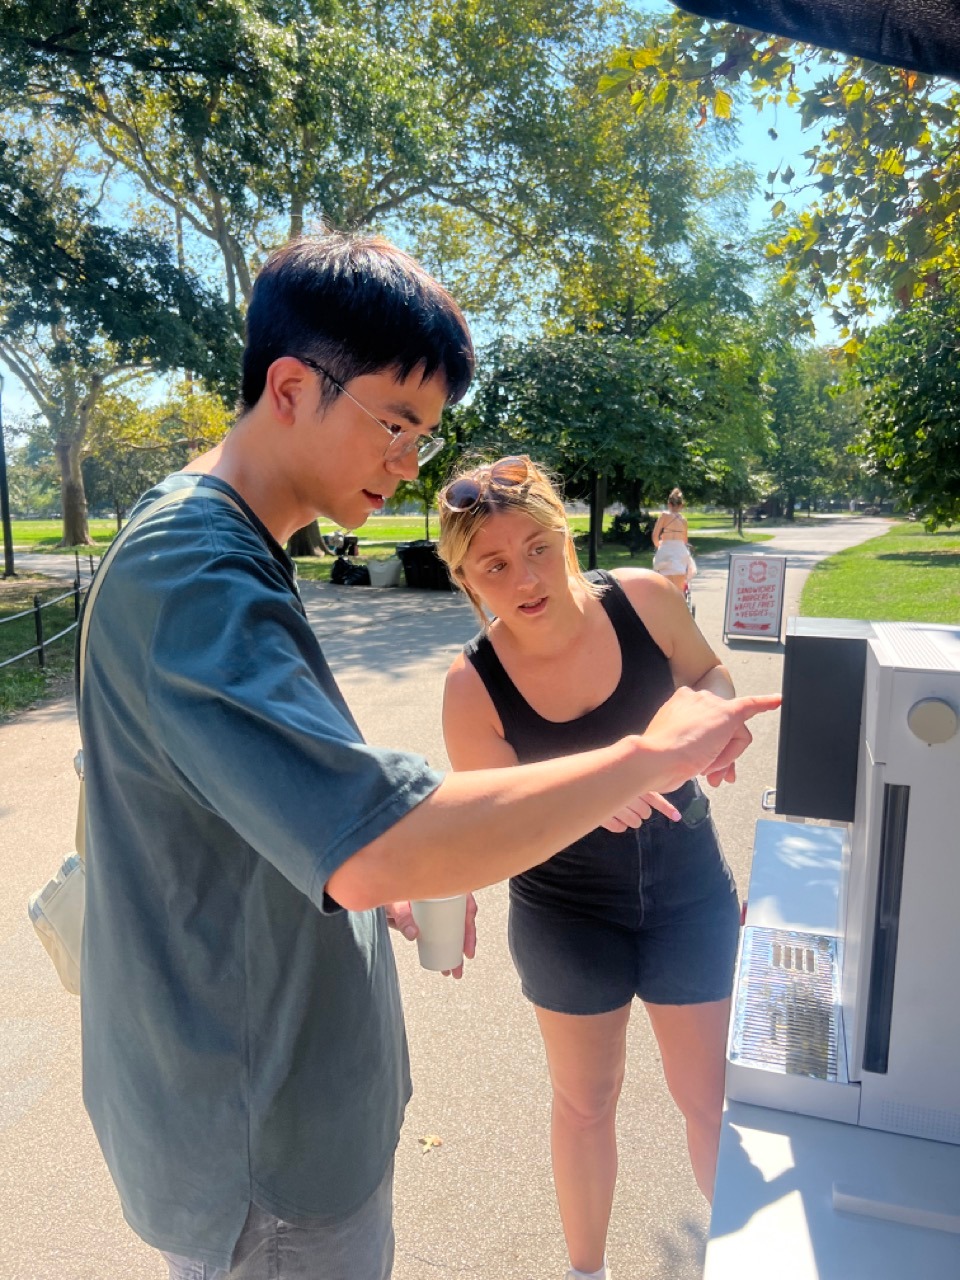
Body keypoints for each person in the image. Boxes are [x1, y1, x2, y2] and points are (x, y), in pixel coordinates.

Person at [78, 234, 779, 1280]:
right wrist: (641, 756)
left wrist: (372, 887)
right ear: (289, 386)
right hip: (265, 1157)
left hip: (287, 1118)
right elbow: (378, 840)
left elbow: (263, 810)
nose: (411, 460)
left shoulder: (226, 548)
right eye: (395, 422)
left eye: (427, 431)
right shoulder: (196, 567)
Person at [437, 457, 744, 1280]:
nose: (525, 578)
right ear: (465, 576)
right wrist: (579, 799)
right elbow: (486, 830)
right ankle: (586, 1273)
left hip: (688, 891)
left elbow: (709, 673)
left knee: (709, 1101)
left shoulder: (645, 599)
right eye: (493, 566)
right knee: (584, 1103)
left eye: (537, 547)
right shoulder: (471, 688)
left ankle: (750, 1260)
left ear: (564, 534)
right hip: (567, 914)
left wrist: (706, 717)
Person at [651, 486, 694, 593]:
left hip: (666, 549)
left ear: (669, 504)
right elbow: (685, 540)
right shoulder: (684, 520)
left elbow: (655, 535)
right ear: (681, 506)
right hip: (680, 551)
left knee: (664, 587)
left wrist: (659, 545)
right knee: (679, 589)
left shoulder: (664, 516)